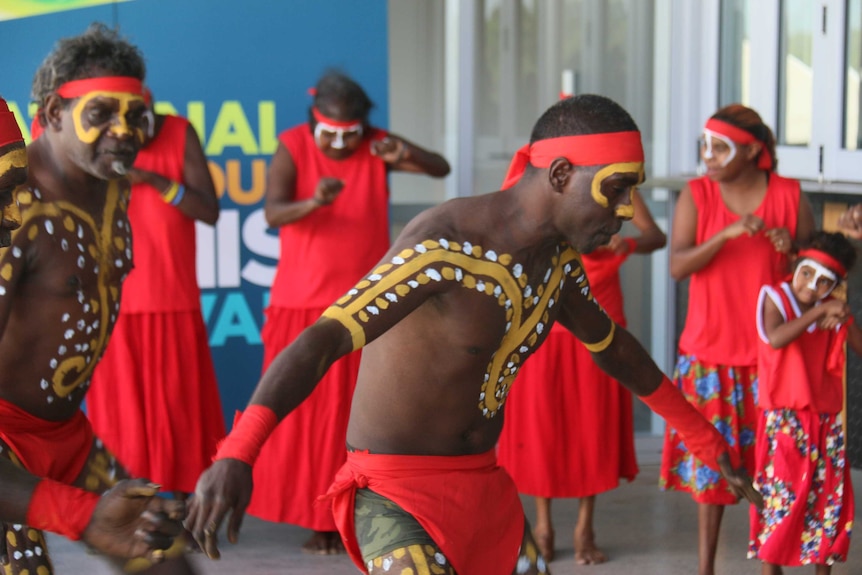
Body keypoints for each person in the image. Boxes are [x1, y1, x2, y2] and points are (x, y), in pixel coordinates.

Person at [188, 94, 762, 575]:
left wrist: (702, 438)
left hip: (487, 494)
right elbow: (325, 339)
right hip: (395, 494)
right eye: (615, 188)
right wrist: (238, 452)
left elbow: (614, 347)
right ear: (562, 175)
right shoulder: (444, 244)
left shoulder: (557, 264)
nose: (627, 208)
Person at [0, 23, 197, 574]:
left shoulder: (114, 186)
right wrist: (72, 512)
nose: (124, 131)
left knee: (166, 563)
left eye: (136, 116)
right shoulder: (12, 208)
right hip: (3, 446)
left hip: (69, 437)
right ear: (54, 114)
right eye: (101, 114)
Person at [246, 70, 450, 555]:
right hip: (302, 304)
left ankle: (362, 510)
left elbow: (440, 167)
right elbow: (273, 212)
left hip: (369, 305)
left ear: (363, 126)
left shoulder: (377, 144)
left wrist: (406, 156)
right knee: (305, 418)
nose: (340, 143)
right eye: (330, 133)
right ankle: (316, 516)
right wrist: (312, 202)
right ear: (314, 120)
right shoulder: (293, 145)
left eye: (350, 134)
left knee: (364, 416)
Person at [659, 103, 815, 575]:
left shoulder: (788, 194)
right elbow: (677, 267)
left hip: (772, 356)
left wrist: (792, 255)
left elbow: (811, 275)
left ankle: (771, 565)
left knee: (774, 466)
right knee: (715, 472)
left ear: (751, 151)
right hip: (710, 355)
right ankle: (706, 567)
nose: (708, 156)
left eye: (719, 147)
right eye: (704, 146)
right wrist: (725, 234)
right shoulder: (698, 195)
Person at [497, 187, 666, 565]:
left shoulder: (622, 190)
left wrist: (629, 245)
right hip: (546, 315)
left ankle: (584, 528)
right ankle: (543, 525)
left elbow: (658, 236)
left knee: (593, 425)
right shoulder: (550, 187)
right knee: (542, 428)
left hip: (601, 316)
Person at [86, 86, 225, 501]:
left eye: (137, 121)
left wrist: (153, 180)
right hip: (112, 299)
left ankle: (186, 504)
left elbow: (209, 210)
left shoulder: (180, 133)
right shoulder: (90, 141)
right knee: (118, 416)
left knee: (181, 408)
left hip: (171, 296)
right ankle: (122, 507)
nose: (127, 134)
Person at [748, 230, 861, 574]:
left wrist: (843, 317)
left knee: (827, 503)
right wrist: (818, 313)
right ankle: (771, 568)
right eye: (807, 273)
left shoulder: (830, 310)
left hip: (825, 422)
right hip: (784, 419)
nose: (812, 287)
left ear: (835, 287)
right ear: (796, 265)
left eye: (825, 282)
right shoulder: (775, 297)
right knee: (779, 501)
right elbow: (776, 337)